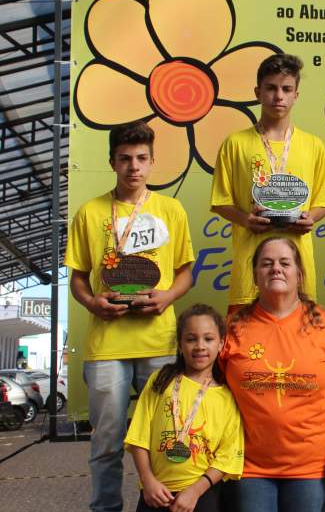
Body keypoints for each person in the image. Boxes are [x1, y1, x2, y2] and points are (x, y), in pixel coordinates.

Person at [66, 120, 195, 512]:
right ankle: (106, 508)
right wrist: (92, 304)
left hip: (158, 340)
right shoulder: (89, 213)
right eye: (124, 159)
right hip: (107, 346)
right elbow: (77, 278)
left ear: (153, 162)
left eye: (141, 159)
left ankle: (158, 506)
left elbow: (187, 271)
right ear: (112, 162)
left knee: (163, 436)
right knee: (107, 441)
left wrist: (167, 297)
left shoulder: (170, 209)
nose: (133, 167)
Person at [220, 237, 325, 512]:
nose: (276, 269)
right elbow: (211, 389)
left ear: (299, 274)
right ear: (255, 275)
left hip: (309, 466)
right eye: (266, 264)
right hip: (247, 464)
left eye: (285, 263)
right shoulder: (233, 327)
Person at [212, 54, 325, 313]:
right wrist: (246, 220)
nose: (279, 96)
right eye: (271, 88)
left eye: (286, 89)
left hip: (298, 266)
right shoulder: (235, 144)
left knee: (299, 345)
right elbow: (221, 202)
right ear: (258, 92)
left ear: (296, 95)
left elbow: (322, 202)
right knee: (244, 348)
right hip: (249, 267)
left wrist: (311, 218)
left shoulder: (313, 146)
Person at [125, 304, 244, 512]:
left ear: (221, 344)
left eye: (208, 339)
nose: (199, 346)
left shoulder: (226, 396)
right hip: (155, 493)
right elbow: (138, 437)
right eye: (191, 339)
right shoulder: (161, 381)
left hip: (201, 495)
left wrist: (196, 491)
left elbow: (228, 455)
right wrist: (148, 481)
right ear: (180, 344)